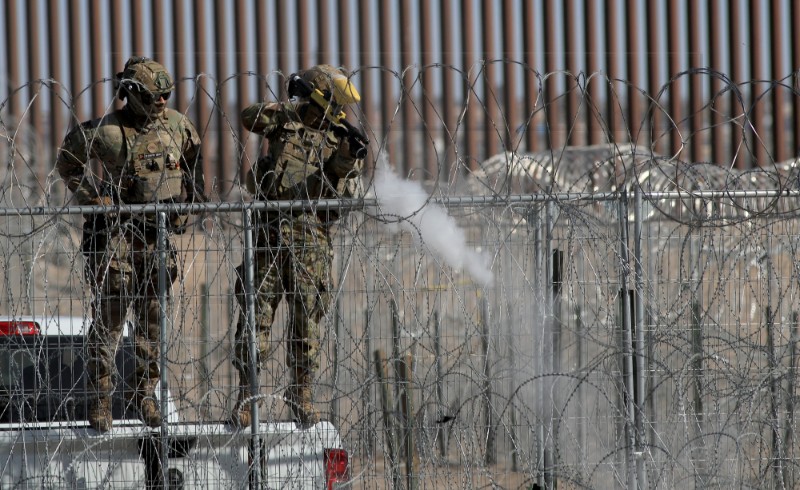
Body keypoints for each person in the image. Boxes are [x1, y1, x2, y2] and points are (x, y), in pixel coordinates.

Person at [56, 56, 205, 432]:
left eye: (166, 96)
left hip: (158, 238)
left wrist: (189, 206)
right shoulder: (108, 132)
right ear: (133, 94)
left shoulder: (177, 126)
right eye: (155, 96)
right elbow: (68, 160)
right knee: (110, 318)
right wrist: (95, 200)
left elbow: (194, 160)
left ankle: (145, 396)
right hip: (120, 237)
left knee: (152, 322)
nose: (161, 103)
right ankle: (102, 399)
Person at [230, 64, 367, 428]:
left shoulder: (341, 140)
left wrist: (345, 160)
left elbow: (346, 197)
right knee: (254, 324)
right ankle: (247, 396)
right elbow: (248, 117)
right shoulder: (283, 122)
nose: (339, 112)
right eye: (333, 103)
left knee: (306, 328)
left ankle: (301, 394)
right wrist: (292, 108)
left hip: (311, 242)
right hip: (268, 239)